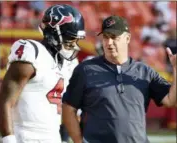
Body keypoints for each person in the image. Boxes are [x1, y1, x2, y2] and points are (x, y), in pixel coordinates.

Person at [62, 15, 176, 143]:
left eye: (114, 37)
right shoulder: (85, 70)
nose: (109, 42)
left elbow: (171, 100)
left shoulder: (145, 71)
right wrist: (78, 141)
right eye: (105, 37)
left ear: (127, 38)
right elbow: (68, 108)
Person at [0, 4, 85, 143]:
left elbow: (71, 107)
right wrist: (9, 139)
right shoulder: (33, 53)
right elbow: (5, 100)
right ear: (54, 32)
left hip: (53, 136)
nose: (73, 44)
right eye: (70, 38)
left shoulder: (70, 63)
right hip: (25, 135)